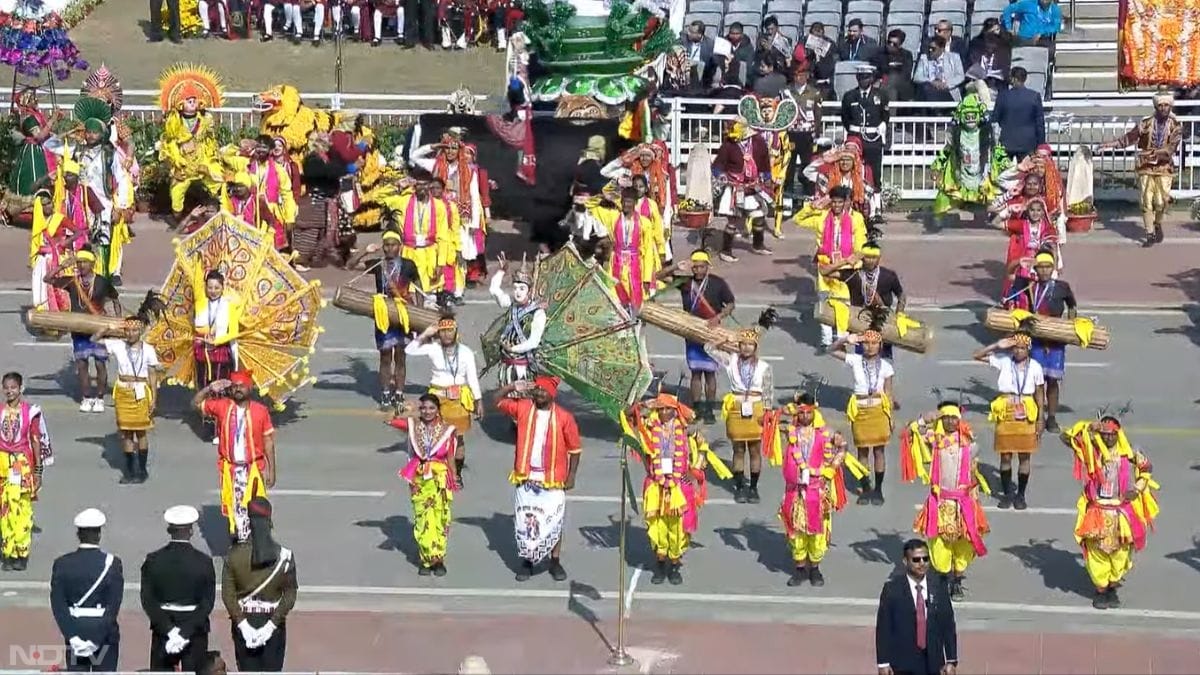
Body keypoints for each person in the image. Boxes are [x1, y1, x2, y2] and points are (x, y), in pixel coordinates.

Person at [625, 392, 728, 585]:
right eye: (661, 408)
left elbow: (703, 448)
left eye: (668, 409)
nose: (664, 412)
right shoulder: (649, 427)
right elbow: (630, 415)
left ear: (675, 411)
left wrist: (696, 469)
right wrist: (646, 403)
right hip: (656, 484)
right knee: (658, 525)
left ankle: (674, 566)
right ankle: (660, 565)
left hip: (680, 484)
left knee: (679, 527)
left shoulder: (686, 430)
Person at [1060, 416, 1160, 610]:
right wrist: (1089, 427)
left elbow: (1146, 467)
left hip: (1120, 510)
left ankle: (1112, 587)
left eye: (1111, 435)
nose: (1107, 439)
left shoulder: (1128, 451)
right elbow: (1065, 438)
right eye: (1103, 435)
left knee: (1120, 552)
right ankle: (1101, 590)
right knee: (1097, 551)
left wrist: (1137, 488)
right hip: (1097, 510)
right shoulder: (1091, 449)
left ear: (1118, 433)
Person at [494, 376, 582, 582]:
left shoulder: (564, 417)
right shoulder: (523, 408)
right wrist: (512, 387)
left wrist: (571, 476)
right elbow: (497, 400)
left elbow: (575, 449)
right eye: (537, 390)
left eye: (544, 391)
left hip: (552, 478)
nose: (540, 394)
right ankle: (527, 561)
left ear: (552, 394)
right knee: (527, 521)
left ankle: (554, 561)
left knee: (554, 521)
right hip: (526, 476)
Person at [903, 404, 990, 601]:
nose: (950, 421)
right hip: (940, 500)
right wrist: (924, 419)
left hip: (963, 502)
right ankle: (942, 580)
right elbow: (910, 433)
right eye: (946, 417)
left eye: (954, 417)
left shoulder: (970, 443)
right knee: (939, 544)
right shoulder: (935, 441)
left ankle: (957, 582)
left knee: (964, 544)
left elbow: (973, 472)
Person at [773, 393, 850, 586]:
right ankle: (799, 568)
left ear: (814, 411)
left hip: (817, 490)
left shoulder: (826, 433)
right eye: (801, 412)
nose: (805, 416)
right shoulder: (789, 431)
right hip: (794, 490)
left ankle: (815, 568)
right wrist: (784, 409)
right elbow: (765, 422)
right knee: (796, 531)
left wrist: (832, 469)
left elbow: (843, 447)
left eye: (809, 412)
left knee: (817, 533)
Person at [192, 370, 278, 541]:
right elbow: (195, 404)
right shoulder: (222, 406)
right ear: (230, 390)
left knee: (255, 509)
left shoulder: (260, 411)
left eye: (242, 386)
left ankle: (256, 543)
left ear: (250, 388)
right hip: (230, 469)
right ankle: (239, 544)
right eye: (235, 386)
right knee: (235, 509)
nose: (238, 389)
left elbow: (268, 441)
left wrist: (272, 470)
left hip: (253, 469)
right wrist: (210, 388)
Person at [655, 251, 735, 423]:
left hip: (712, 331)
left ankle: (709, 410)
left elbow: (730, 303)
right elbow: (658, 276)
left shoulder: (717, 283)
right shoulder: (685, 283)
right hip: (691, 330)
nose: (698, 270)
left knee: (711, 372)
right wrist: (677, 266)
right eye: (695, 267)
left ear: (708, 266)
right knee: (696, 372)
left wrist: (718, 317)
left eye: (701, 267)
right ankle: (698, 407)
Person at [346, 234, 424, 409]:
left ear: (400, 246)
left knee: (401, 356)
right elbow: (350, 266)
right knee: (385, 356)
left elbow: (419, 287)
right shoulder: (377, 264)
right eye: (386, 245)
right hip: (383, 314)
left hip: (403, 313)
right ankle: (386, 393)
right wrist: (365, 252)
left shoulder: (408, 265)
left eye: (393, 245)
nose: (389, 248)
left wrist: (419, 312)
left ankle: (399, 393)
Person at [1098, 89, 1183, 247]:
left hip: (1163, 167)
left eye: (1166, 105)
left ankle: (1157, 223)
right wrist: (1110, 145)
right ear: (1156, 106)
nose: (1164, 108)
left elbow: (1170, 149)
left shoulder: (1176, 126)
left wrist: (1154, 154)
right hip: (1145, 166)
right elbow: (1129, 138)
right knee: (1146, 201)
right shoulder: (1146, 123)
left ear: (1170, 106)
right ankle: (1149, 233)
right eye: (1161, 105)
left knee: (1161, 201)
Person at [973, 329, 1046, 510]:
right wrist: (997, 345)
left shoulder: (1036, 367)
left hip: (1026, 410)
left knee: (1024, 456)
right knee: (1005, 455)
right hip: (1006, 409)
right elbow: (977, 355)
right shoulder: (1004, 362)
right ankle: (1006, 495)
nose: (1018, 351)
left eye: (1022, 348)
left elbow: (1039, 394)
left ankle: (1020, 495)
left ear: (1028, 349)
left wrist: (1040, 418)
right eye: (1015, 348)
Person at [1003, 251, 1076, 432]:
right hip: (1034, 339)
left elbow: (1072, 305)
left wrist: (1070, 326)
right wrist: (1019, 261)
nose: (1044, 271)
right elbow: (1009, 273)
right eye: (1041, 267)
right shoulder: (1028, 284)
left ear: (1052, 269)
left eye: (1047, 267)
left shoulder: (1062, 287)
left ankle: (1051, 418)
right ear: (1036, 269)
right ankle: (1038, 415)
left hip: (1055, 340)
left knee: (1053, 381)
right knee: (1037, 381)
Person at [222, 497, 297, 672]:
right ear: (269, 521)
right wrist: (271, 626)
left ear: (248, 520)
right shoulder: (285, 557)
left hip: (244, 620)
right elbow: (290, 594)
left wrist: (243, 625)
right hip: (274, 621)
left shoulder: (233, 556)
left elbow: (228, 595)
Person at [405, 316, 482, 487]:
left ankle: (457, 475)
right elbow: (409, 350)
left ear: (456, 332)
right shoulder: (433, 348)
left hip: (458, 400)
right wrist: (426, 333)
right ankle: (437, 471)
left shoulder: (466, 352)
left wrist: (478, 400)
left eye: (450, 331)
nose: (447, 335)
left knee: (458, 439)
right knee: (435, 437)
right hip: (437, 400)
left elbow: (472, 379)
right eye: (443, 331)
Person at [387, 394, 459, 575]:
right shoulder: (413, 427)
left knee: (440, 519)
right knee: (423, 519)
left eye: (431, 408)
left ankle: (438, 559)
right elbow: (390, 420)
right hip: (419, 479)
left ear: (438, 410)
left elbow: (450, 457)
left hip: (440, 479)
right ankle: (426, 558)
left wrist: (454, 477)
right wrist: (402, 409)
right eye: (424, 408)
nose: (427, 412)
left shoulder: (447, 431)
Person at [140, 505, 216, 671]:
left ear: (170, 530)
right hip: (194, 629)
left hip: (163, 627)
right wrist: (185, 632)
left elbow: (148, 600)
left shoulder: (154, 560)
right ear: (191, 531)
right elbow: (207, 603)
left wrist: (170, 631)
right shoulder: (203, 562)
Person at [829, 315, 894, 506]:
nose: (870, 346)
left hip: (878, 411)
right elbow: (830, 350)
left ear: (880, 345)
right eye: (866, 343)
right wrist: (845, 340)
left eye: (874, 343)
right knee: (863, 452)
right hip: (860, 410)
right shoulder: (855, 360)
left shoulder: (887, 366)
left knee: (879, 452)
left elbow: (889, 394)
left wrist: (891, 418)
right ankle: (865, 488)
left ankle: (878, 490)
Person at [50, 508, 124, 672]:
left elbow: (58, 606)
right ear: (99, 535)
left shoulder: (62, 564)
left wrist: (73, 637)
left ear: (78, 534)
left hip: (76, 629)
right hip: (104, 634)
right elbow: (113, 608)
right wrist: (96, 640)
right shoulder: (113, 564)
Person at [48, 247, 120, 414]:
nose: (81, 265)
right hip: (79, 330)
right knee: (81, 365)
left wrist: (117, 320)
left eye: (84, 262)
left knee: (100, 364)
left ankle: (100, 398)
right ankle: (87, 397)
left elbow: (116, 300)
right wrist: (62, 266)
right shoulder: (72, 281)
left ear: (92, 264)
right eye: (79, 262)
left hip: (99, 330)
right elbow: (48, 279)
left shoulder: (102, 281)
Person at [707, 328, 772, 504]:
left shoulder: (764, 367)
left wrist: (767, 414)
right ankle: (740, 486)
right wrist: (725, 339)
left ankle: (753, 487)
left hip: (756, 407)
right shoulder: (731, 361)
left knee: (755, 450)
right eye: (743, 344)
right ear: (738, 345)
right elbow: (709, 348)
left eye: (750, 344)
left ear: (756, 347)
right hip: (736, 408)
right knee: (738, 449)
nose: (747, 348)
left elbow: (768, 392)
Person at [874, 539, 959, 675]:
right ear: (905, 561)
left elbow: (948, 625)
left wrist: (951, 660)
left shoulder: (938, 587)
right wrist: (883, 662)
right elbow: (884, 628)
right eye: (916, 560)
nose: (922, 564)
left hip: (934, 661)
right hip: (902, 662)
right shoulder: (892, 589)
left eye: (925, 559)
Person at [95, 314, 161, 484]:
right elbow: (94, 339)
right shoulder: (118, 345)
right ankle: (130, 470)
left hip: (141, 392)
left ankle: (142, 469)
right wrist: (108, 328)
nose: (130, 333)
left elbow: (153, 376)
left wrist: (154, 399)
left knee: (140, 432)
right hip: (124, 391)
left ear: (140, 331)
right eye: (128, 330)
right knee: (126, 433)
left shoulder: (148, 350)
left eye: (134, 330)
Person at [157, 64, 224, 228]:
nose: (192, 103)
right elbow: (169, 144)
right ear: (181, 103)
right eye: (189, 100)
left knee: (218, 180)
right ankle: (179, 221)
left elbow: (211, 139)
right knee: (176, 195)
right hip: (184, 166)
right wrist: (175, 164)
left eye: (194, 100)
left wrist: (212, 123)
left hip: (202, 161)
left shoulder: (204, 120)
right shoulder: (174, 122)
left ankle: (222, 211)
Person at [930, 93, 1011, 217]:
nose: (970, 118)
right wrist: (937, 167)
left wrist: (1005, 162)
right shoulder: (955, 136)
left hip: (982, 177)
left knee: (998, 201)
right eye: (967, 116)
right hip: (960, 176)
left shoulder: (988, 135)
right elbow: (945, 152)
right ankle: (937, 221)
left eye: (973, 115)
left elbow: (998, 151)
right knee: (944, 198)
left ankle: (1000, 223)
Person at [0, 372, 50, 572]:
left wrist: (38, 470)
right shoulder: (1, 411)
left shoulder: (31, 412)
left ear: (20, 388)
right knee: (5, 509)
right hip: (2, 463)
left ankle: (21, 552)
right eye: (6, 387)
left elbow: (36, 441)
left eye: (13, 387)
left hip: (22, 464)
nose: (10, 391)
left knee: (22, 508)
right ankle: (8, 551)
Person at [808, 185, 868, 347]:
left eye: (844, 201)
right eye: (835, 202)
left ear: (849, 202)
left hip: (846, 269)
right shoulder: (823, 216)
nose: (841, 205)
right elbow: (799, 219)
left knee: (843, 305)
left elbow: (861, 247)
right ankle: (826, 340)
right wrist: (814, 205)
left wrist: (853, 261)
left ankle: (841, 338)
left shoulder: (856, 219)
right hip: (826, 266)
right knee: (824, 301)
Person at [595, 187, 665, 311]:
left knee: (636, 307)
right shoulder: (613, 217)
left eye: (629, 201)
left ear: (635, 203)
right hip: (616, 264)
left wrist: (647, 278)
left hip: (636, 267)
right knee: (616, 305)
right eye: (624, 201)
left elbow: (648, 252)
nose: (626, 204)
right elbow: (591, 204)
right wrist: (610, 195)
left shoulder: (645, 223)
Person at [193, 270, 243, 443]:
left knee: (220, 389)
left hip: (221, 352)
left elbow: (234, 332)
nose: (213, 290)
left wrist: (217, 340)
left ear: (223, 288)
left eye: (216, 287)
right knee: (204, 387)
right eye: (210, 287)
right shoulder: (200, 303)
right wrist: (202, 336)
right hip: (202, 352)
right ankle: (207, 425)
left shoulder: (229, 306)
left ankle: (220, 429)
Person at [713, 121, 773, 261]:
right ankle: (725, 251)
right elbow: (717, 166)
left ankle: (758, 245)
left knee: (759, 216)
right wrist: (721, 176)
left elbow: (765, 163)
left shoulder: (759, 142)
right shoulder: (728, 145)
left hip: (753, 186)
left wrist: (767, 177)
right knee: (733, 220)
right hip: (735, 187)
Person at [489, 254, 547, 388]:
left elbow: (533, 341)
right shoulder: (511, 304)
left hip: (524, 366)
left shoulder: (538, 312)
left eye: (522, 289)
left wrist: (513, 348)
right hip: (506, 363)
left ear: (530, 290)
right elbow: (494, 290)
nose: (517, 292)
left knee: (522, 403)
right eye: (515, 288)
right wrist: (501, 271)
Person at [840, 65, 888, 223]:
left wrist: (880, 128)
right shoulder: (850, 96)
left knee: (874, 173)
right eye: (861, 77)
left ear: (872, 78)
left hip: (873, 139)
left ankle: (876, 209)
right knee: (854, 171)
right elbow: (845, 118)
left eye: (867, 77)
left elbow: (885, 115)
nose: (864, 80)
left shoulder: (880, 95)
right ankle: (854, 206)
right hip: (856, 138)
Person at [785, 64, 823, 198]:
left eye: (802, 74)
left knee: (808, 165)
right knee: (789, 165)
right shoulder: (786, 92)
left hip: (807, 135)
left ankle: (809, 194)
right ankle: (787, 195)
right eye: (796, 75)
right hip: (791, 134)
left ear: (807, 76)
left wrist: (816, 134)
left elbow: (818, 115)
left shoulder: (814, 93)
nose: (798, 78)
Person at [992, 67, 1046, 160]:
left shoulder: (1003, 96)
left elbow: (995, 119)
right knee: (1026, 173)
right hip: (1028, 143)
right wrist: (1041, 143)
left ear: (1013, 79)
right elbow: (1039, 123)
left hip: (1007, 143)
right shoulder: (1034, 96)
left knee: (1006, 173)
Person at [915, 35, 967, 103]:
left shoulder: (954, 57)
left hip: (948, 91)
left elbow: (960, 76)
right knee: (927, 88)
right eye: (929, 48)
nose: (930, 51)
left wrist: (946, 84)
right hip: (930, 90)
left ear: (942, 48)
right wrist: (932, 82)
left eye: (933, 49)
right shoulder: (924, 58)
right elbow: (917, 77)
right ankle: (936, 112)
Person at [873, 29, 915, 104]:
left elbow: (906, 74)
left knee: (893, 79)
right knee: (891, 90)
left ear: (900, 45)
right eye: (889, 42)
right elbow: (876, 71)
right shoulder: (879, 54)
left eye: (894, 44)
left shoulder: (907, 55)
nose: (891, 45)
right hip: (882, 84)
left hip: (901, 85)